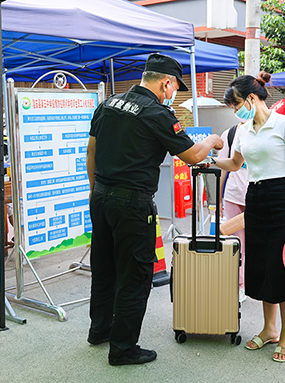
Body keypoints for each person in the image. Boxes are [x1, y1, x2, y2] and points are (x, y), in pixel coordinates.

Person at [86, 53, 223, 366]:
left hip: (101, 197)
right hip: (132, 205)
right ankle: (122, 348)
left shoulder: (108, 103)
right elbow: (190, 155)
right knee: (135, 274)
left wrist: (98, 191)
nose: (173, 92)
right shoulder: (157, 113)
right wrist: (213, 139)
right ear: (166, 83)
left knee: (105, 267)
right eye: (174, 87)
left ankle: (100, 330)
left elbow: (91, 151)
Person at [214, 72, 285, 363]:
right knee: (261, 265)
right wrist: (207, 157)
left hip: (282, 197)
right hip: (256, 197)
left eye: (235, 104)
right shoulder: (243, 129)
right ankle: (269, 329)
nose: (235, 111)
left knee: (284, 267)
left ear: (251, 98)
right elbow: (236, 164)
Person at [217, 123, 248, 302]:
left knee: (256, 243)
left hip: (257, 196)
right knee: (237, 244)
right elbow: (223, 168)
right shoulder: (230, 133)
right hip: (233, 195)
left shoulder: (266, 130)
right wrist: (218, 197)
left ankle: (253, 282)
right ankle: (239, 285)